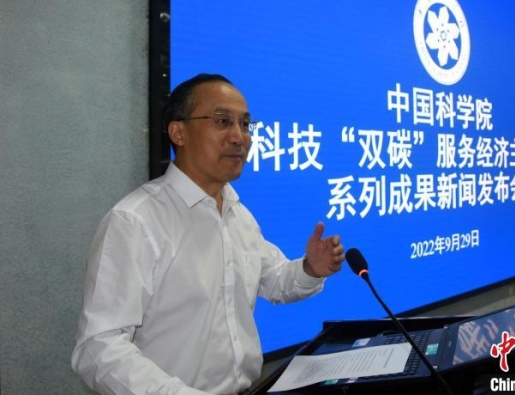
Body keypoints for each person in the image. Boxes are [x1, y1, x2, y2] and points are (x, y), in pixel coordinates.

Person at [71, 73, 345, 395]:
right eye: (222, 121)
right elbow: (99, 349)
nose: (239, 137)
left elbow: (273, 280)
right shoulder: (135, 222)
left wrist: (310, 268)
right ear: (178, 132)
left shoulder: (237, 213)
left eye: (245, 124)